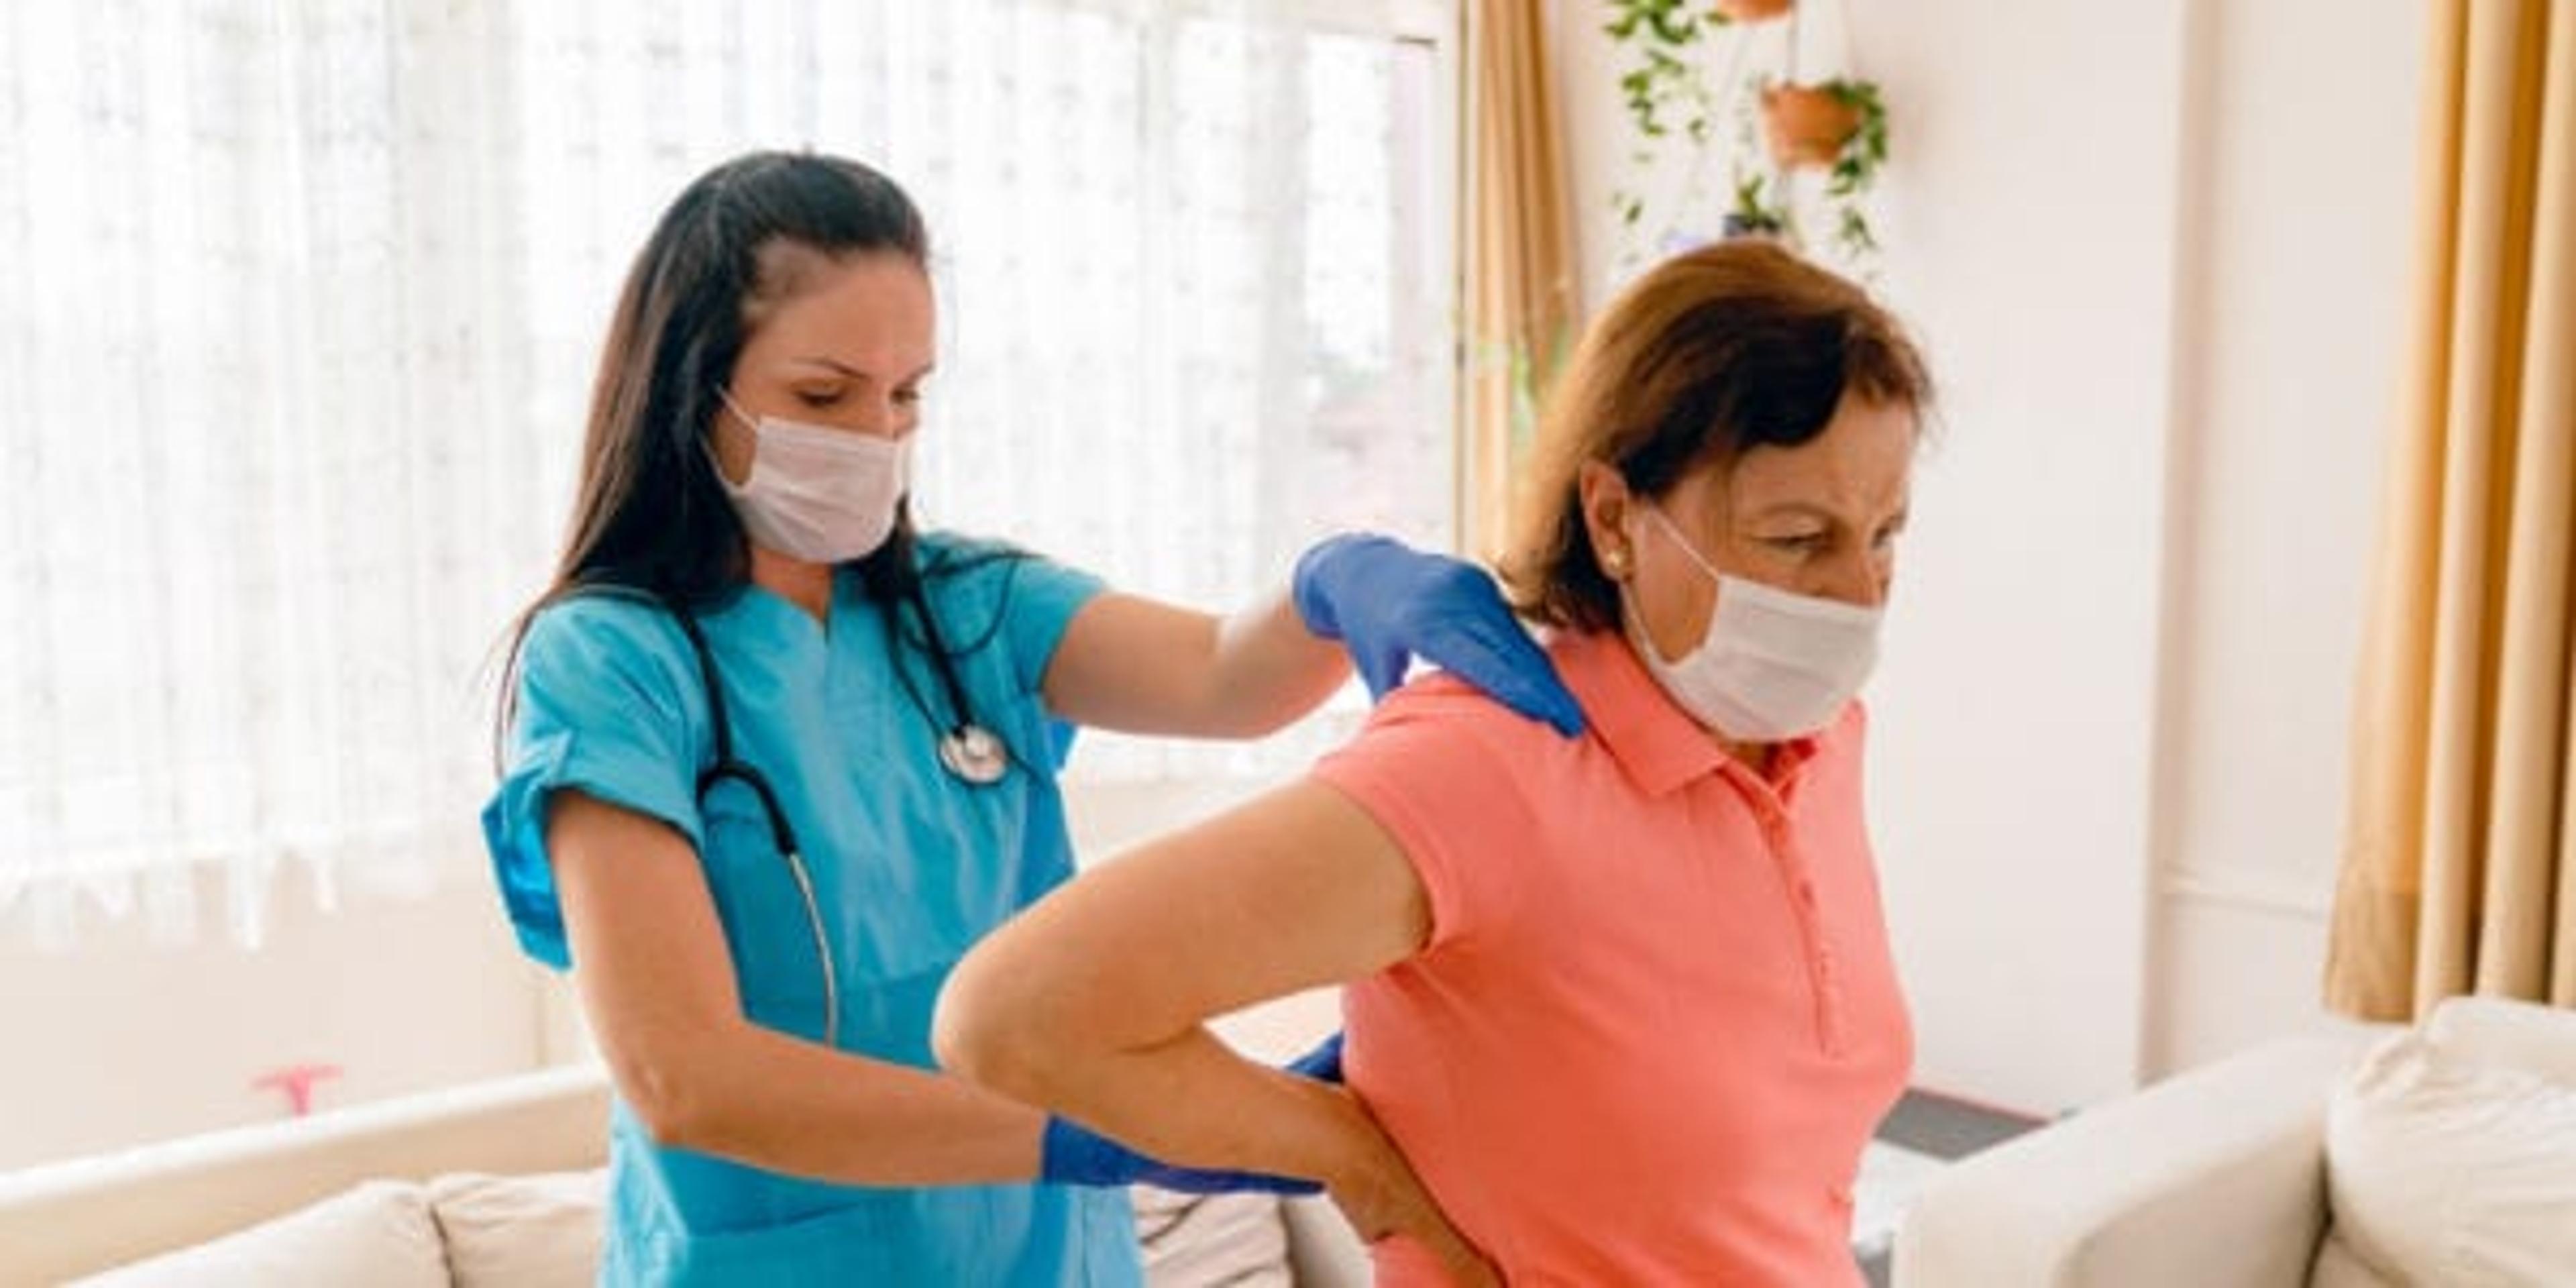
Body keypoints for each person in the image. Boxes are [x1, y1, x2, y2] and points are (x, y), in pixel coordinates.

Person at [481, 150, 1582, 1286]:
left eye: (907, 393)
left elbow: (1220, 674)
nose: (876, 434)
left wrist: (1331, 586)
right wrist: (1106, 1130)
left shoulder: (960, 607)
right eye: (824, 395)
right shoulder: (615, 662)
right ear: (689, 389)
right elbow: (683, 1078)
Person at [934, 239, 1931, 1285]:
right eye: (1796, 539)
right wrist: (1344, 1150)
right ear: (1613, 519)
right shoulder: (1489, 763)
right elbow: (1010, 1016)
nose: (1859, 595)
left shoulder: (1816, 738)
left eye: (1887, 534)